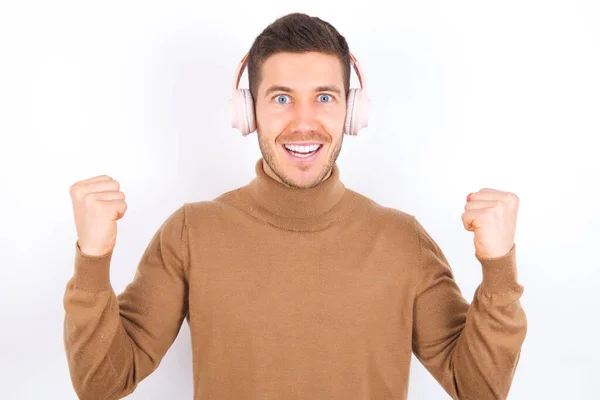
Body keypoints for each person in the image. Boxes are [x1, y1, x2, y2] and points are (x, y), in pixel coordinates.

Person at [63, 12, 527, 400]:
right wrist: (93, 259)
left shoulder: (402, 240)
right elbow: (101, 383)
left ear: (352, 111)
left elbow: (479, 388)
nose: (304, 123)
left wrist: (498, 270)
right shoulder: (191, 233)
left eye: (324, 98)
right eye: (282, 98)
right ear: (248, 113)